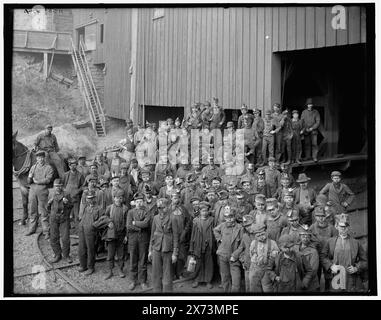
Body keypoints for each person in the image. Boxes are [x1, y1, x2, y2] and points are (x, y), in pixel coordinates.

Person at [321, 214, 367, 292]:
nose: (343, 229)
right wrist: (331, 266)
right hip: (336, 277)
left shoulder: (356, 243)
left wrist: (356, 268)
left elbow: (364, 261)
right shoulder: (330, 242)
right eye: (341, 226)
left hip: (351, 278)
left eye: (345, 227)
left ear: (348, 228)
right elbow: (323, 257)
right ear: (337, 226)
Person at [148, 198, 179, 293]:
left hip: (168, 249)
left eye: (163, 207)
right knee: (156, 273)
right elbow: (152, 235)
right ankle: (157, 291)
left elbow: (176, 237)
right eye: (159, 208)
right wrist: (150, 250)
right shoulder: (155, 218)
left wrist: (175, 253)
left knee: (167, 273)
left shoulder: (172, 218)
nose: (161, 210)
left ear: (168, 207)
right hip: (156, 248)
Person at [213, 208, 243, 292]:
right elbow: (215, 230)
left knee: (236, 279)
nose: (229, 219)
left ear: (235, 217)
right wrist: (220, 239)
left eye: (231, 217)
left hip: (234, 258)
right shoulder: (222, 225)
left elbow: (241, 245)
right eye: (226, 217)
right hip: (223, 255)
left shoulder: (239, 228)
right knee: (225, 277)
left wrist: (235, 255)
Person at [26, 150, 54, 238]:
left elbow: (48, 179)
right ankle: (32, 229)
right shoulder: (33, 167)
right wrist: (30, 178)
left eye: (42, 158)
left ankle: (46, 231)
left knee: (43, 212)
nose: (40, 159)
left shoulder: (48, 168)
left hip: (42, 191)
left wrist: (38, 181)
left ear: (44, 158)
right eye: (38, 158)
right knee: (32, 210)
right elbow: (28, 181)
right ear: (36, 159)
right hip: (32, 191)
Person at [127, 193, 152, 290]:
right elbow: (129, 226)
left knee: (143, 261)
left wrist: (135, 223)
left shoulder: (147, 212)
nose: (139, 203)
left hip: (143, 239)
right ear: (134, 202)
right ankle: (133, 280)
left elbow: (146, 224)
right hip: (133, 239)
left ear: (143, 202)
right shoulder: (130, 212)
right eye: (137, 202)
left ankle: (143, 281)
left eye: (141, 201)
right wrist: (139, 228)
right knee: (133, 260)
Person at [309, 206, 338, 291]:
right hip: (316, 256)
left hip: (327, 257)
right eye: (318, 216)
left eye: (322, 216)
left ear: (326, 216)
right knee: (315, 277)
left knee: (328, 277)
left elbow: (336, 242)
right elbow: (309, 242)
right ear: (315, 216)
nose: (320, 218)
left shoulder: (331, 228)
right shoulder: (312, 227)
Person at [189, 202, 215, 289]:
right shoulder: (196, 221)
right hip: (198, 245)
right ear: (199, 211)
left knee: (208, 263)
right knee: (198, 263)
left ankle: (208, 280)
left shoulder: (211, 220)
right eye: (203, 211)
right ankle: (197, 279)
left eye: (206, 211)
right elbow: (193, 235)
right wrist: (192, 247)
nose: (205, 212)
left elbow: (214, 232)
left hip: (208, 245)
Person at [103, 189, 128, 280]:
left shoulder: (125, 208)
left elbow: (127, 223)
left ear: (123, 199)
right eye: (117, 198)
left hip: (121, 234)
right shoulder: (110, 207)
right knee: (110, 254)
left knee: (121, 254)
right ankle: (110, 271)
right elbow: (105, 217)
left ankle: (120, 270)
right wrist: (108, 222)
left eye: (120, 198)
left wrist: (126, 235)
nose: (118, 200)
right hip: (111, 234)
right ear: (114, 198)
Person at [78, 191, 104, 276]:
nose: (90, 200)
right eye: (88, 198)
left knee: (90, 250)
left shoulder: (99, 209)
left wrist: (93, 226)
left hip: (91, 232)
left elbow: (101, 221)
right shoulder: (86, 207)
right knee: (82, 248)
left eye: (92, 198)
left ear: (95, 198)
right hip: (82, 230)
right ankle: (83, 265)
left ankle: (90, 267)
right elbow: (83, 218)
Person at [47, 178, 73, 263]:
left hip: (64, 218)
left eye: (60, 186)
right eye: (56, 186)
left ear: (62, 186)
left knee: (65, 238)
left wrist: (67, 203)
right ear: (54, 187)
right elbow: (46, 208)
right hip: (53, 218)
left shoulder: (66, 194)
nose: (58, 188)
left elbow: (71, 206)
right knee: (54, 237)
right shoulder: (51, 193)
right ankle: (57, 254)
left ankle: (66, 255)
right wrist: (49, 203)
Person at [248, 224, 279, 292]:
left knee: (267, 288)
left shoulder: (272, 243)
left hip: (267, 269)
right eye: (258, 236)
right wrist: (254, 258)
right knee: (254, 287)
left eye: (262, 234)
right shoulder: (253, 243)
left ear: (266, 232)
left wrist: (274, 255)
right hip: (256, 268)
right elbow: (251, 254)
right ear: (255, 236)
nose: (261, 237)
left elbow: (277, 257)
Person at [169, 191, 192, 280]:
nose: (176, 200)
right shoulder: (168, 209)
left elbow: (188, 222)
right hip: (171, 236)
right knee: (172, 255)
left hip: (182, 236)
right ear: (171, 198)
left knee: (181, 256)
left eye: (177, 198)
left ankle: (179, 273)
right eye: (174, 198)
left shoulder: (183, 209)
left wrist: (184, 233)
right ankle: (171, 274)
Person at [231, 215, 256, 292]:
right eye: (246, 226)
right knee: (248, 285)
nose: (248, 227)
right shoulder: (245, 236)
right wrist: (234, 255)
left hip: (257, 265)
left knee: (255, 286)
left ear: (254, 223)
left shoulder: (260, 235)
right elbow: (241, 247)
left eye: (250, 225)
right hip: (247, 264)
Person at [291, 227, 320, 292]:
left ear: (310, 238)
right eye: (303, 236)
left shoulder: (313, 251)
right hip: (297, 279)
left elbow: (313, 269)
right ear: (300, 237)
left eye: (307, 237)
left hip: (310, 281)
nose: (305, 239)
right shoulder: (295, 247)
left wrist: (305, 280)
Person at [63, 158, 85, 232]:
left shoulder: (80, 175)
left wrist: (77, 191)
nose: (73, 167)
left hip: (76, 197)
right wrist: (65, 193)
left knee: (76, 214)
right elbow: (63, 185)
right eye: (71, 165)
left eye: (75, 165)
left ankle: (77, 229)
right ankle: (67, 228)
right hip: (67, 196)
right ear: (69, 166)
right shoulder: (66, 175)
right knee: (66, 213)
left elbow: (83, 186)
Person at [300, 98, 321, 162]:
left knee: (314, 144)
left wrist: (312, 128)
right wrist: (305, 128)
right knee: (307, 144)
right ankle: (307, 157)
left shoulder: (316, 112)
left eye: (311, 104)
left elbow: (318, 122)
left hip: (313, 130)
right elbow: (301, 121)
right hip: (306, 130)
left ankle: (314, 157)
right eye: (309, 104)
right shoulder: (304, 112)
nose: (310, 105)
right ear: (307, 105)